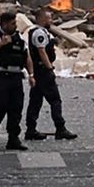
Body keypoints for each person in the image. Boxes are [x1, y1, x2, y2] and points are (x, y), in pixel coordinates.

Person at [0, 10, 34, 150]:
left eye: (15, 23)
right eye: (12, 23)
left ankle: (13, 139)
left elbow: (26, 56)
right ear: (4, 24)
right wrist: (1, 44)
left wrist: (31, 74)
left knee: (16, 108)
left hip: (16, 77)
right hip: (0, 77)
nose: (15, 25)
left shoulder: (19, 37)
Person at [25, 10, 78, 141]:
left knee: (35, 101)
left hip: (38, 71)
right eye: (49, 18)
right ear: (42, 19)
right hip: (43, 72)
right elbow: (42, 51)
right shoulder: (39, 33)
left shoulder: (39, 32)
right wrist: (49, 68)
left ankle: (30, 130)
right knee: (55, 100)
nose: (51, 21)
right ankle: (60, 128)